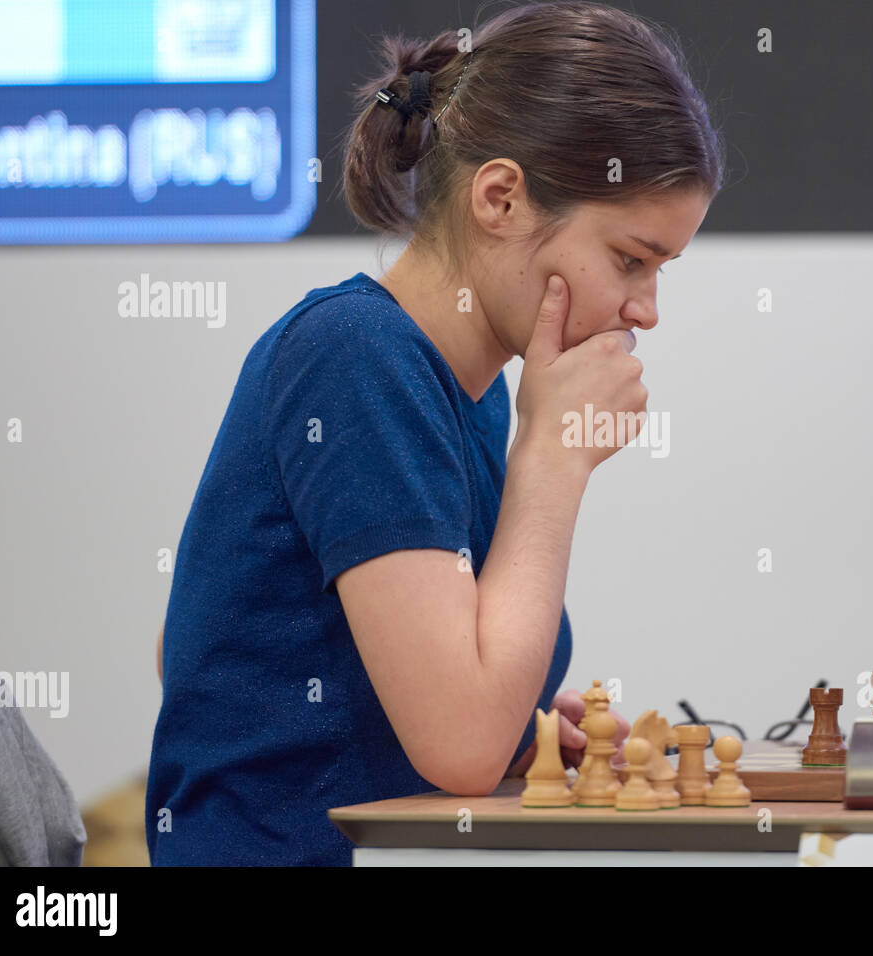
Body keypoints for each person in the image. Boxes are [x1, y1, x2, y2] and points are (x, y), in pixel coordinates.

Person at [146, 0, 726, 866]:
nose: (645, 308)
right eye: (631, 259)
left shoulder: (478, 388)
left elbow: (226, 649)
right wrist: (553, 462)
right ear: (499, 197)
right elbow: (458, 746)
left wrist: (524, 730)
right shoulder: (355, 355)